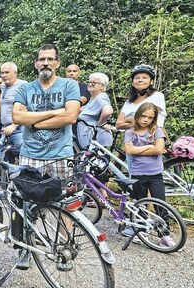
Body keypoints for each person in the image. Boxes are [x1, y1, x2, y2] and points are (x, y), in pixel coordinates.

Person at [12, 44, 81, 269]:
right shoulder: (25, 89)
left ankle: (63, 249)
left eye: (51, 59)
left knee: (65, 205)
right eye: (42, 59)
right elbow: (16, 117)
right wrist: (53, 113)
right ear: (35, 63)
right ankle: (24, 248)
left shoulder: (69, 85)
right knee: (23, 203)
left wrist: (33, 120)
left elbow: (71, 116)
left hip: (61, 155)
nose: (46, 63)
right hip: (30, 155)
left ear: (58, 63)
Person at [121, 102, 175, 247]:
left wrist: (140, 148)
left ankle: (164, 234)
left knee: (160, 203)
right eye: (143, 116)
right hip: (138, 173)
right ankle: (141, 231)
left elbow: (158, 149)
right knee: (140, 203)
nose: (146, 120)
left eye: (150, 117)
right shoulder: (130, 132)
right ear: (137, 115)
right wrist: (149, 146)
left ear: (154, 119)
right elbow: (129, 151)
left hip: (155, 173)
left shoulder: (157, 131)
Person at [115, 64, 167, 138]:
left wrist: (127, 119)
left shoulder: (157, 96)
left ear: (151, 81)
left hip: (153, 138)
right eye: (137, 78)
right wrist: (137, 121)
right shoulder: (128, 102)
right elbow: (118, 125)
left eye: (144, 78)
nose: (140, 80)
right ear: (132, 82)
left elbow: (148, 120)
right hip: (133, 140)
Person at [75, 72, 114, 150]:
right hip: (92, 139)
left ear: (102, 86)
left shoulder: (100, 97)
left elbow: (108, 111)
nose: (90, 84)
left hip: (97, 138)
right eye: (89, 82)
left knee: (98, 161)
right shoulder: (94, 98)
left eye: (94, 83)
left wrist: (100, 124)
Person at [0, 62, 28, 160]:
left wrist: (14, 125)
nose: (4, 75)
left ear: (15, 73)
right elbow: (3, 105)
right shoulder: (3, 86)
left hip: (19, 129)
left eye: (7, 72)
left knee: (24, 159)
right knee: (0, 160)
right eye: (2, 73)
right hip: (5, 130)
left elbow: (25, 109)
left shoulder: (22, 85)